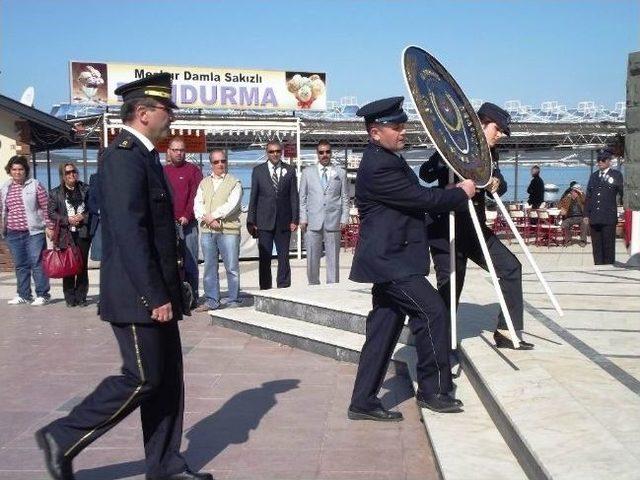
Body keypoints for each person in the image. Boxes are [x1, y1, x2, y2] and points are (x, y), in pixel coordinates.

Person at [35, 73, 213, 480]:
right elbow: (130, 233)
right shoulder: (122, 157)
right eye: (167, 109)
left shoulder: (146, 157)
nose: (172, 116)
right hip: (137, 296)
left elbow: (157, 232)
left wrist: (176, 286)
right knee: (142, 377)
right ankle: (62, 436)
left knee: (168, 382)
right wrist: (155, 295)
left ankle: (166, 464)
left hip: (158, 290)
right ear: (144, 112)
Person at [347, 97, 475, 419]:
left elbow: (414, 201)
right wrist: (461, 194)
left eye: (403, 125)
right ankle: (433, 391)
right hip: (391, 263)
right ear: (375, 133)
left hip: (390, 260)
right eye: (396, 127)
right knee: (433, 311)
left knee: (383, 331)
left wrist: (450, 190)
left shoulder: (388, 159)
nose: (403, 131)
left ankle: (362, 401)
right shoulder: (379, 165)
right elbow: (420, 198)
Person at [420, 102, 534, 351]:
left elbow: (499, 185)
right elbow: (425, 174)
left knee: (510, 267)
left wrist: (496, 182)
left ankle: (507, 331)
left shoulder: (491, 153)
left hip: (474, 228)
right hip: (446, 228)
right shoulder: (451, 143)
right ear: (482, 125)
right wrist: (445, 158)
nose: (501, 134)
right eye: (498, 129)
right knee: (451, 286)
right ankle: (440, 347)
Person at [193, 148, 242, 311]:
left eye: (223, 161)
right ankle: (212, 300)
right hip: (208, 231)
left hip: (228, 230)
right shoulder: (204, 183)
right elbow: (197, 204)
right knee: (209, 266)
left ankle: (234, 299)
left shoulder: (235, 182)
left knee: (232, 266)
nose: (220, 164)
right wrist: (207, 218)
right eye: (216, 162)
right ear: (211, 164)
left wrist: (213, 216)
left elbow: (231, 205)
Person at [247, 140, 299, 290]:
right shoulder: (258, 171)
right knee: (265, 258)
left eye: (277, 151)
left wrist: (295, 218)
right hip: (264, 221)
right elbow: (253, 197)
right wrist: (251, 220)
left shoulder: (289, 170)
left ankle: (283, 286)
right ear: (267, 153)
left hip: (284, 221)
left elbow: (293, 196)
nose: (275, 154)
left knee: (284, 257)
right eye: (271, 151)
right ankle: (265, 288)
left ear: (281, 151)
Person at [0, 155, 51, 306]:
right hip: (12, 233)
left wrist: (49, 226)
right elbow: (2, 210)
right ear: (10, 171)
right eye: (14, 169)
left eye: (20, 169)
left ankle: (42, 294)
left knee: (37, 263)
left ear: (25, 171)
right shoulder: (4, 188)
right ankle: (23, 294)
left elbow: (46, 207)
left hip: (33, 232)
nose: (17, 172)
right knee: (20, 265)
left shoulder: (35, 185)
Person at [299, 140, 349, 285]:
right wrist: (303, 218)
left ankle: (332, 287)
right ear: (317, 154)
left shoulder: (341, 172)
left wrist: (344, 218)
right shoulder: (307, 172)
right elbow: (302, 197)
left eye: (327, 152)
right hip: (312, 220)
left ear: (331, 153)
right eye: (321, 152)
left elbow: (345, 197)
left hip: (333, 220)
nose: (324, 155)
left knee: (333, 258)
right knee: (312, 258)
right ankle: (313, 285)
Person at [164, 136, 203, 307]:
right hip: (168, 226)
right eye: (175, 150)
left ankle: (192, 297)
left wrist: (187, 215)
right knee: (170, 262)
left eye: (182, 150)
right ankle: (173, 297)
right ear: (169, 151)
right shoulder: (163, 171)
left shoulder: (193, 170)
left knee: (190, 261)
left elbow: (196, 196)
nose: (179, 153)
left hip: (188, 224)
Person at [47, 162, 91, 307]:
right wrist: (67, 219)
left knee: (82, 265)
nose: (71, 174)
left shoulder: (85, 189)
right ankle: (70, 297)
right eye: (68, 172)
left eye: (73, 171)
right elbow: (51, 213)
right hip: (66, 234)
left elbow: (92, 208)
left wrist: (83, 217)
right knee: (69, 265)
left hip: (83, 232)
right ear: (62, 175)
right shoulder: (55, 193)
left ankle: (82, 296)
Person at [584, 147, 624, 265]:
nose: (599, 162)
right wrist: (586, 214)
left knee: (608, 247)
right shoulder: (594, 176)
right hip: (595, 217)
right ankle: (598, 268)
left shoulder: (616, 175)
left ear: (608, 161)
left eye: (602, 160)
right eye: (598, 160)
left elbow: (623, 193)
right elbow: (589, 197)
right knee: (596, 248)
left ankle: (609, 269)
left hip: (608, 218)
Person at [87, 171, 102, 262]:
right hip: (99, 221)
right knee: (101, 257)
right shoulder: (94, 178)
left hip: (117, 221)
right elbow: (91, 201)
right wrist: (100, 211)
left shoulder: (122, 176)